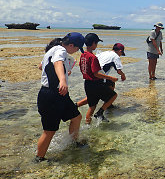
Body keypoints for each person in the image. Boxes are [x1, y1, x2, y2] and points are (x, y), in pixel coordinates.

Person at [35, 32, 85, 163]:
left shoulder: (53, 49)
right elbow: (57, 63)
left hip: (61, 95)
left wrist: (62, 71)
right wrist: (62, 79)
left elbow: (42, 66)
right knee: (49, 131)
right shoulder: (60, 50)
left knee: (76, 117)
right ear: (71, 45)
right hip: (51, 95)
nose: (76, 52)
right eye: (76, 49)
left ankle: (73, 143)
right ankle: (39, 159)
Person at [79, 33, 118, 124]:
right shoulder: (92, 57)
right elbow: (96, 74)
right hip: (96, 84)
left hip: (87, 84)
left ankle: (88, 125)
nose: (96, 45)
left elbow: (82, 69)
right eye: (96, 43)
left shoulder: (83, 55)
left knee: (92, 107)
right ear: (93, 43)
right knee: (113, 96)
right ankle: (100, 113)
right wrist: (111, 78)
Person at [77, 43, 126, 108]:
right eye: (121, 54)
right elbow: (119, 71)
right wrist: (123, 76)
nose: (120, 55)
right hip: (99, 78)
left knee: (111, 83)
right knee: (96, 97)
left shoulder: (104, 53)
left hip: (92, 76)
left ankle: (109, 104)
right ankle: (101, 111)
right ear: (120, 51)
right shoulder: (116, 56)